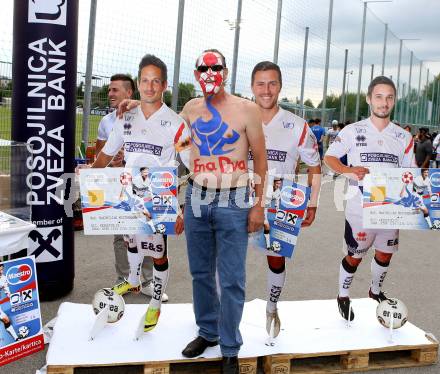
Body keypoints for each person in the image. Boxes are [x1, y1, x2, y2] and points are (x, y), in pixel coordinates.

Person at [179, 49, 267, 374]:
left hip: (235, 200)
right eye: (204, 67)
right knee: (200, 273)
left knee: (231, 279)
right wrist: (135, 107)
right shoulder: (190, 109)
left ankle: (230, 347)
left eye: (216, 67)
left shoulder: (247, 109)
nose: (210, 72)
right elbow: (170, 138)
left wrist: (259, 205)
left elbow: (260, 159)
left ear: (226, 72)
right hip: (197, 197)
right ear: (195, 72)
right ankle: (208, 332)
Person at [92, 54, 191, 332]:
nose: (149, 86)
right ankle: (134, 279)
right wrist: (88, 172)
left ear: (164, 85)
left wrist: (179, 207)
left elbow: (192, 165)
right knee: (131, 242)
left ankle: (156, 304)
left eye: (155, 81)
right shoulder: (125, 118)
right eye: (145, 81)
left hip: (160, 196)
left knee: (157, 252)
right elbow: (107, 154)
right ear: (138, 83)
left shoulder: (175, 124)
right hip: (129, 192)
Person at [324, 76, 415, 321]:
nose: (384, 102)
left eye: (389, 97)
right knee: (355, 255)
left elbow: (411, 172)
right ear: (368, 99)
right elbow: (330, 158)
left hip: (390, 205)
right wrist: (348, 170)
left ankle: (375, 291)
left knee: (385, 254)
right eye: (379, 96)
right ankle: (343, 295)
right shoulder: (353, 131)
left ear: (394, 101)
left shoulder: (404, 137)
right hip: (359, 206)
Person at [249, 61, 321, 338]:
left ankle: (271, 307)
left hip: (283, 202)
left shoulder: (298, 125)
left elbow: (314, 166)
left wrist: (312, 202)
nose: (266, 90)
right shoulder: (241, 117)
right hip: (241, 199)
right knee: (227, 259)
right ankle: (222, 313)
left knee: (276, 259)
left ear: (279, 86)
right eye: (260, 84)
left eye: (272, 83)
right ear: (252, 87)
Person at [94, 74, 159, 300]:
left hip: (143, 183)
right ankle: (124, 279)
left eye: (115, 90)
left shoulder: (148, 116)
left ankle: (148, 281)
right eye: (110, 90)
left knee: (147, 231)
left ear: (129, 94)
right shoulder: (106, 122)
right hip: (117, 184)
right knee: (121, 236)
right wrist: (109, 162)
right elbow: (101, 154)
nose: (110, 94)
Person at [0, 264, 20, 341]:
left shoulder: (3, 278)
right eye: (0, 270)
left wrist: (10, 296)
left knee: (6, 319)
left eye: (2, 269)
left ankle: (16, 339)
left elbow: (6, 289)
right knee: (5, 319)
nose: (1, 271)